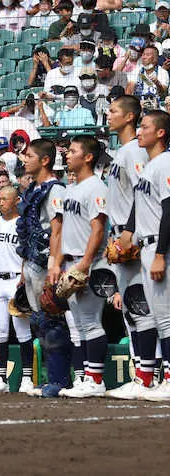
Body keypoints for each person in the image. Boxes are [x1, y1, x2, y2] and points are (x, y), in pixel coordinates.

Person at [104, 95, 159, 400]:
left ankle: (147, 377)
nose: (108, 115)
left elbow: (144, 194)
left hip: (133, 239)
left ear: (129, 117)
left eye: (113, 111)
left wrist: (130, 233)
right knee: (133, 312)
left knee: (142, 309)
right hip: (122, 237)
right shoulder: (123, 151)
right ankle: (143, 376)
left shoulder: (135, 151)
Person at [54, 135, 109, 398]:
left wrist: (85, 264)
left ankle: (96, 380)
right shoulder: (72, 188)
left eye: (72, 150)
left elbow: (98, 229)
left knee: (90, 323)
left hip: (90, 263)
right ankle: (89, 377)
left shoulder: (96, 187)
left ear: (87, 157)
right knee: (80, 325)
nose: (67, 154)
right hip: (72, 261)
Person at [16, 138, 68, 395]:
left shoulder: (55, 190)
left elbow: (57, 232)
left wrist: (54, 266)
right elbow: (27, 232)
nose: (25, 159)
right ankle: (50, 378)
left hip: (48, 262)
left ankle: (59, 380)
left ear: (45, 160)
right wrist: (23, 270)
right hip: (32, 261)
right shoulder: (33, 189)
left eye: (30, 156)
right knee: (40, 321)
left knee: (53, 320)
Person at [0, 186, 35, 394]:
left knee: (22, 331)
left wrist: (26, 280)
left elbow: (29, 256)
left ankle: (27, 378)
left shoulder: (23, 224)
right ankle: (1, 379)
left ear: (16, 200)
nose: (0, 202)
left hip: (16, 281)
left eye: (4, 199)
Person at [131, 109, 170, 401]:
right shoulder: (150, 166)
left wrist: (160, 253)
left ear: (160, 132)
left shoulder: (166, 162)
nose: (139, 131)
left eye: (144, 126)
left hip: (159, 247)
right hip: (145, 246)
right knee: (159, 317)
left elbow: (169, 210)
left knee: (166, 318)